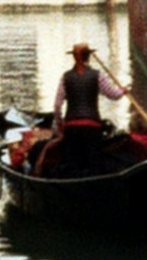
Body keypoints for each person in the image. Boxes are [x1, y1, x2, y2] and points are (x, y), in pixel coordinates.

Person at [47, 43, 127, 175]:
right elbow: (114, 95)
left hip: (71, 127)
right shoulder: (98, 75)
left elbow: (57, 106)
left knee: (73, 165)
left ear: (74, 57)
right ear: (88, 57)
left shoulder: (65, 77)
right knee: (93, 165)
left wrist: (60, 123)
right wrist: (123, 90)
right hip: (92, 126)